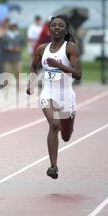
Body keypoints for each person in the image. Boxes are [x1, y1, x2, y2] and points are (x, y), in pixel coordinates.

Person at [26, 15, 82, 179]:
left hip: (66, 95)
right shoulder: (42, 49)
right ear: (49, 29)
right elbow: (33, 66)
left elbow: (78, 74)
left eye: (60, 25)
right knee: (54, 124)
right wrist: (31, 83)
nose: (57, 27)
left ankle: (69, 125)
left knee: (66, 136)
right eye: (54, 25)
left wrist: (58, 65)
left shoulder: (70, 48)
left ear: (65, 30)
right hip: (48, 93)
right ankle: (53, 166)